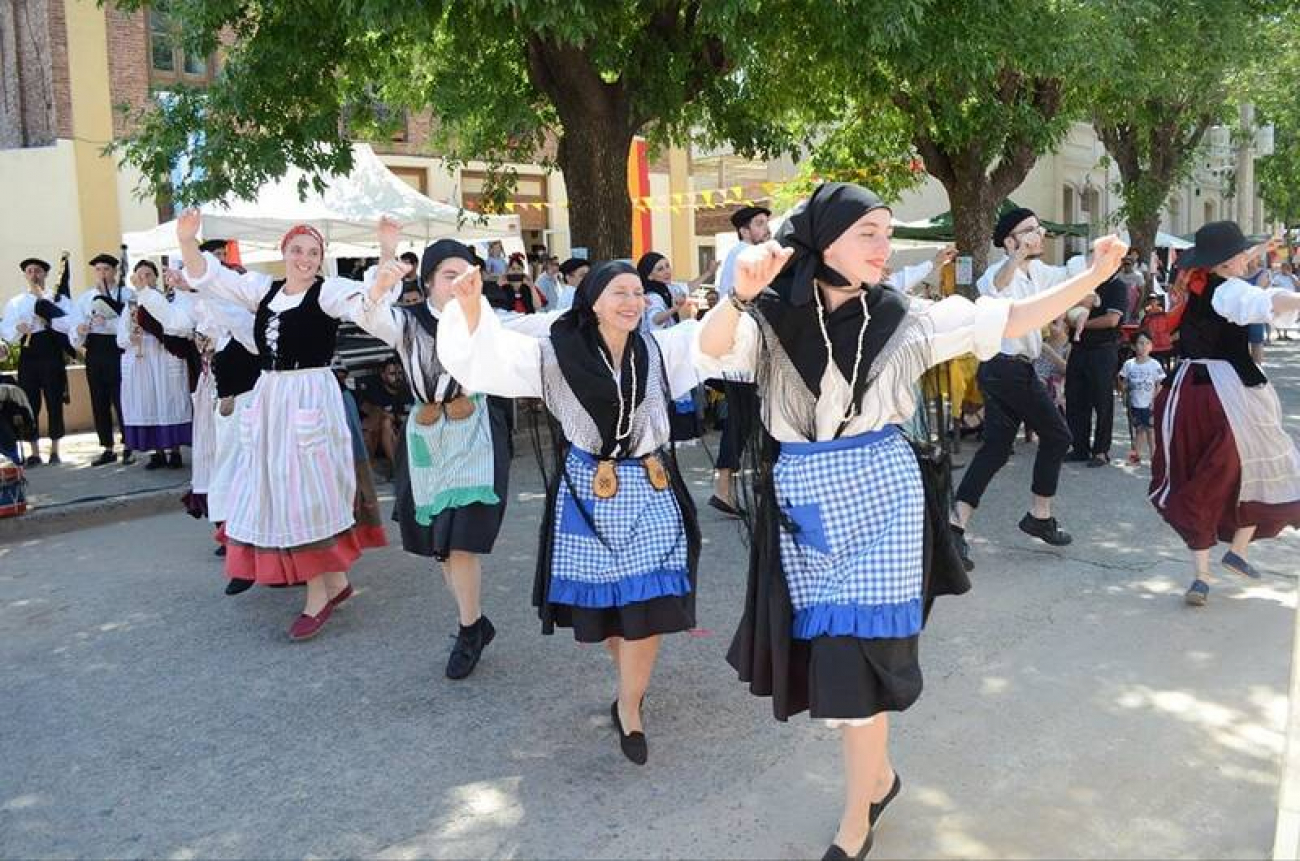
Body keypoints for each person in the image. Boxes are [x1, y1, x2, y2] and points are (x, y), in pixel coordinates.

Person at [694, 181, 1128, 861]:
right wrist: (738, 296)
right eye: (868, 232)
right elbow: (712, 348)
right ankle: (882, 778)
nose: (883, 246)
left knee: (853, 660)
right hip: (806, 503)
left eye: (886, 232)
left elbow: (1007, 318)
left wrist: (1096, 275)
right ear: (824, 240)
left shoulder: (903, 316)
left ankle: (855, 813)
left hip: (883, 497)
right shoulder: (772, 316)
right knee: (838, 659)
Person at [438, 259, 703, 766]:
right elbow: (491, 356)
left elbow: (708, 341)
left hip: (650, 486)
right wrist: (471, 309)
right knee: (608, 612)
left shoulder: (657, 348)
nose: (632, 301)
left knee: (648, 609)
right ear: (594, 301)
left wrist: (740, 302)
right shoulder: (555, 353)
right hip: (589, 490)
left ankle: (629, 706)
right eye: (619, 292)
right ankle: (628, 684)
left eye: (638, 292)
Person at [177, 211, 388, 640]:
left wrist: (385, 257)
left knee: (304, 491)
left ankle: (318, 592)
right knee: (274, 486)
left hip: (310, 395)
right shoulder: (264, 291)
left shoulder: (327, 293)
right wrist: (186, 241)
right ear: (284, 253)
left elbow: (369, 300)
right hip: (272, 396)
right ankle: (335, 581)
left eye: (313, 253)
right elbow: (209, 276)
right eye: (298, 251)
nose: (305, 259)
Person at [355, 228, 540, 680]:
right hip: (426, 434)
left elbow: (537, 328)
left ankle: (469, 629)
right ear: (431, 281)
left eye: (465, 275)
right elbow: (371, 314)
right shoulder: (407, 320)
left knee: (459, 539)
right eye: (449, 276)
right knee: (441, 544)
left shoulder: (486, 318)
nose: (458, 285)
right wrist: (383, 267)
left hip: (475, 427)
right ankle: (474, 621)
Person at [1148, 221, 1300, 607]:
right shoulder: (1231, 291)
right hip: (1225, 395)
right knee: (1247, 467)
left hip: (1185, 391)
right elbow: (1267, 305)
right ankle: (1235, 553)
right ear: (1229, 260)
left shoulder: (1196, 284)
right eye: (1241, 254)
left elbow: (1242, 269)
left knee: (1206, 472)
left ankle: (1206, 573)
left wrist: (1260, 247)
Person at [949, 207, 1079, 568]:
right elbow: (997, 286)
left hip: (1011, 371)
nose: (1038, 235)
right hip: (1005, 369)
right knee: (1057, 436)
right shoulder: (996, 271)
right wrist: (1016, 256)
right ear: (1009, 240)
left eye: (1039, 229)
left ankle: (955, 525)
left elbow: (1071, 277)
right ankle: (1039, 515)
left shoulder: (1039, 272)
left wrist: (1092, 286)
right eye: (1028, 230)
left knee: (994, 450)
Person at [710, 205, 771, 517]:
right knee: (743, 420)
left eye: (765, 223)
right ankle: (724, 486)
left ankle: (763, 479)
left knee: (757, 418)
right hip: (744, 354)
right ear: (744, 230)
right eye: (759, 224)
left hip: (746, 352)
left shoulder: (744, 253)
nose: (766, 229)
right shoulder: (745, 253)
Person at [117, 260, 197, 469]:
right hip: (142, 358)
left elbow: (176, 325)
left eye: (148, 275)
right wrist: (130, 338)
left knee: (169, 398)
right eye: (140, 275)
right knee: (148, 401)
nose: (144, 279)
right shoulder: (131, 305)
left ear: (155, 277)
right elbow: (120, 336)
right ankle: (157, 452)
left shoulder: (169, 299)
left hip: (164, 355)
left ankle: (175, 451)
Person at [1, 257, 73, 465]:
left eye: (38, 271)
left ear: (45, 274)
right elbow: (6, 330)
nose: (34, 274)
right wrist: (17, 328)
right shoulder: (16, 302)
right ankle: (34, 451)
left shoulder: (57, 299)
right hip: (29, 354)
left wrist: (51, 318)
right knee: (29, 403)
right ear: (25, 275)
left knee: (54, 400)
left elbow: (69, 322)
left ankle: (55, 449)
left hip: (51, 352)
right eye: (30, 271)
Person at [71, 253, 134, 466]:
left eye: (106, 269)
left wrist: (108, 322)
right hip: (95, 350)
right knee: (99, 400)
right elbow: (74, 325)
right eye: (98, 270)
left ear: (115, 271)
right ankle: (107, 447)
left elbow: (132, 325)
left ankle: (129, 445)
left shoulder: (125, 295)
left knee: (122, 398)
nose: (102, 274)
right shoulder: (85, 298)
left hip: (117, 349)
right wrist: (79, 329)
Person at [1064, 267, 1127, 467]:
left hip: (1102, 350)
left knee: (1102, 402)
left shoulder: (1117, 287)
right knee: (1075, 399)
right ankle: (1079, 447)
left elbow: (1112, 320)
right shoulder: (1086, 284)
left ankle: (1101, 451)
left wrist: (1081, 324)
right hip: (1079, 349)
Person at [358, 357, 412, 474]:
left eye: (400, 373)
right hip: (381, 441)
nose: (397, 377)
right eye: (392, 374)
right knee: (385, 423)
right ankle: (397, 468)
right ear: (383, 376)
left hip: (405, 437)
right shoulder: (375, 393)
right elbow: (365, 409)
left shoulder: (409, 391)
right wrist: (384, 414)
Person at [1119, 331, 1164, 464]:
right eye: (1140, 343)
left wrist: (1155, 400)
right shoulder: (1129, 364)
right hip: (1135, 403)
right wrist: (1124, 391)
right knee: (1138, 431)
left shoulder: (1155, 364)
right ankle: (1135, 456)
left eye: (1147, 343)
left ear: (1151, 346)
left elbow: (1159, 383)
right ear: (1133, 346)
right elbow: (1122, 380)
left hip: (1149, 404)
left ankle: (1154, 457)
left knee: (1151, 431)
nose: (1144, 346)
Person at [636, 251, 712, 331]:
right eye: (660, 269)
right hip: (657, 341)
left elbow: (688, 287)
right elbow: (655, 319)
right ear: (650, 276)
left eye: (667, 266)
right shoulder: (652, 296)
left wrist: (709, 272)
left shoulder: (668, 287)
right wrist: (674, 309)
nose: (667, 272)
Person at [1115, 250, 1146, 323]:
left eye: (1128, 264)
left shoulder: (1138, 276)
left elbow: (1142, 293)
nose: (1126, 266)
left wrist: (1137, 308)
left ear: (1132, 264)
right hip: (1121, 305)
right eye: (1124, 264)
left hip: (1133, 305)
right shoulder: (1119, 275)